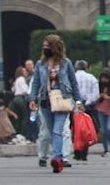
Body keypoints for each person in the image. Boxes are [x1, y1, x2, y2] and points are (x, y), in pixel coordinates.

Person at [27, 34, 82, 173]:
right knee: (52, 132)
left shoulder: (66, 63)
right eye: (44, 46)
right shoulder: (40, 64)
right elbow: (36, 83)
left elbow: (73, 82)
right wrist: (33, 99)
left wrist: (78, 100)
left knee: (58, 130)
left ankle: (57, 158)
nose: (45, 48)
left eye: (48, 46)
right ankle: (58, 156)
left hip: (63, 99)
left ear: (55, 47)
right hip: (46, 101)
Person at [73, 60, 99, 161]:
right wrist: (88, 102)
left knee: (76, 130)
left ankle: (77, 151)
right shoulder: (91, 78)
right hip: (87, 106)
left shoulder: (73, 77)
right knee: (86, 129)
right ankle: (84, 153)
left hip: (75, 105)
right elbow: (96, 94)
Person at [10, 65, 31, 139]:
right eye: (24, 71)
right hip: (21, 98)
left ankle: (17, 132)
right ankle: (22, 134)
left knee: (18, 116)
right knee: (25, 117)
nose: (26, 72)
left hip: (15, 98)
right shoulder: (22, 79)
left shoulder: (17, 80)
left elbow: (13, 89)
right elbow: (25, 90)